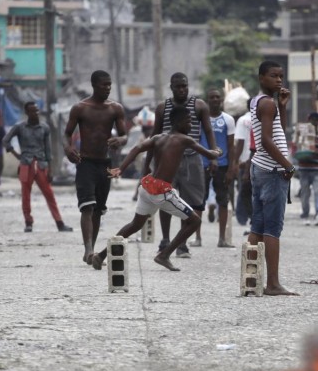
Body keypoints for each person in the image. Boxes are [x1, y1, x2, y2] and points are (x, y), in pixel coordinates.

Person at [90, 105, 221, 272]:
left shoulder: (158, 138)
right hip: (161, 191)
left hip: (147, 186)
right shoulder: (185, 139)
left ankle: (100, 256)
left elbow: (136, 149)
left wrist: (121, 168)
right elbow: (210, 155)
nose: (191, 126)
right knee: (195, 220)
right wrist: (218, 150)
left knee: (135, 224)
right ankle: (164, 255)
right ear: (179, 122)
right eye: (189, 122)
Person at [64, 70, 128, 265]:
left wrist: (120, 140)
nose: (107, 88)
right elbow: (67, 134)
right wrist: (68, 149)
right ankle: (89, 250)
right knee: (87, 207)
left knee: (98, 209)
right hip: (86, 163)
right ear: (94, 85)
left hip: (105, 163)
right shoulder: (80, 108)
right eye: (103, 85)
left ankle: (90, 247)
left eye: (109, 84)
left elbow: (125, 135)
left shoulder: (115, 108)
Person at [151, 72, 216, 259]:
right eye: (178, 86)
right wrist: (150, 164)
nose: (182, 89)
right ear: (171, 88)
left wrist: (212, 157)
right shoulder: (163, 108)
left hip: (192, 158)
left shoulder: (199, 105)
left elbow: (208, 131)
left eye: (184, 86)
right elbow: (154, 136)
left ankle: (181, 244)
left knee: (190, 203)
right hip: (167, 158)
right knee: (165, 199)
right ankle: (165, 240)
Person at [247, 60, 298, 296]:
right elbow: (267, 141)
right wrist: (287, 165)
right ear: (261, 78)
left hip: (259, 168)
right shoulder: (267, 104)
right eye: (273, 76)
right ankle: (273, 284)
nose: (279, 80)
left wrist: (283, 107)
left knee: (257, 226)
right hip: (272, 171)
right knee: (272, 229)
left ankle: (250, 279)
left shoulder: (261, 102)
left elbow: (279, 133)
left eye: (281, 76)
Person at [5, 101, 74, 233]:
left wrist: (51, 169)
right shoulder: (20, 127)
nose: (36, 113)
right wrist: (16, 154)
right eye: (32, 111)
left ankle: (59, 223)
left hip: (42, 165)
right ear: (27, 113)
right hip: (26, 164)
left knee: (49, 194)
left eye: (37, 110)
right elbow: (5, 140)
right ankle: (28, 222)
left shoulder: (44, 128)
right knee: (26, 195)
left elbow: (48, 150)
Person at [198, 88, 235, 247]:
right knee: (198, 202)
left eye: (217, 97)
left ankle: (222, 239)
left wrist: (231, 168)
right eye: (211, 97)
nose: (214, 100)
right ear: (207, 100)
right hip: (202, 165)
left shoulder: (228, 120)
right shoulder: (200, 120)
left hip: (222, 165)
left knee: (223, 201)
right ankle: (197, 237)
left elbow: (231, 146)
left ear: (221, 100)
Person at [292, 111, 318, 225]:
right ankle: (305, 212)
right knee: (305, 193)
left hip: (317, 168)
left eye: (316, 120)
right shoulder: (302, 137)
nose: (314, 122)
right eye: (312, 119)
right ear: (309, 121)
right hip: (304, 169)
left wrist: (315, 154)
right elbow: (295, 150)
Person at [231, 110, 254, 230]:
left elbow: (240, 142)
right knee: (252, 191)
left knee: (243, 190)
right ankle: (250, 216)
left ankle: (242, 217)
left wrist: (235, 161)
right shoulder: (262, 119)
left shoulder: (242, 121)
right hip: (256, 160)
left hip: (244, 161)